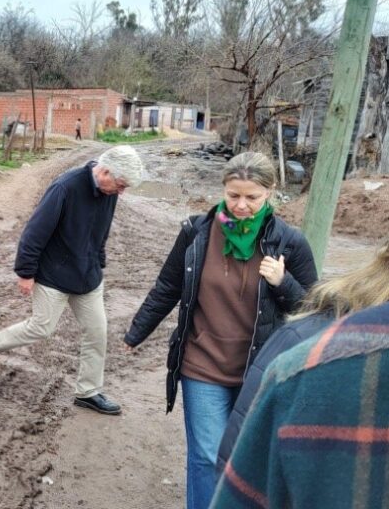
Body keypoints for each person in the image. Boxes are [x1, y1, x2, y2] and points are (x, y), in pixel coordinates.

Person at [122, 151, 318, 509]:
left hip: (259, 371)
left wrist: (283, 282)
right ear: (223, 189)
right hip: (202, 365)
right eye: (233, 195)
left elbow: (313, 310)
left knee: (246, 461)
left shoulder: (290, 243)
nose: (241, 205)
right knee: (206, 457)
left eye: (251, 197)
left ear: (270, 191)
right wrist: (137, 331)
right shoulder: (196, 232)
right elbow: (167, 287)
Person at [0, 145, 144, 417]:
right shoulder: (65, 187)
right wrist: (26, 272)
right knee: (41, 328)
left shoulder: (109, 192)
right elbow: (34, 232)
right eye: (121, 185)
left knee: (97, 332)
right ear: (105, 172)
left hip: (87, 276)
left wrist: (98, 261)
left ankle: (88, 392)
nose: (121, 192)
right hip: (53, 275)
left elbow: (101, 231)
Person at [215, 238, 389, 474]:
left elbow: (303, 296)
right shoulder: (310, 336)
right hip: (219, 361)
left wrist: (283, 282)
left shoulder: (291, 241)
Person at [209, 301, 389, 509]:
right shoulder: (300, 357)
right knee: (206, 453)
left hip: (264, 359)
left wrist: (282, 285)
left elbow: (303, 295)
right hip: (208, 365)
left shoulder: (307, 362)